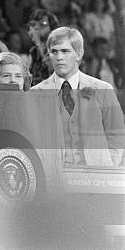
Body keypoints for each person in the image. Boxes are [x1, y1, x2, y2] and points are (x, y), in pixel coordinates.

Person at [30, 27, 124, 166]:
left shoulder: (103, 89)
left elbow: (116, 133)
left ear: (79, 54)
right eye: (54, 51)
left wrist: (109, 165)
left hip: (96, 177)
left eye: (65, 51)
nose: (59, 57)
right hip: (54, 176)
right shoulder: (34, 94)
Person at [27, 9, 59, 86]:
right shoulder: (33, 51)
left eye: (43, 24)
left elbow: (52, 69)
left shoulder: (57, 49)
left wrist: (38, 42)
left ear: (52, 28)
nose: (37, 28)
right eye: (33, 25)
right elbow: (27, 77)